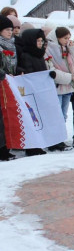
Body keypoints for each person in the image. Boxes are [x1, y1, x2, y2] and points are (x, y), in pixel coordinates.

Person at [45, 27, 74, 151]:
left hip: (67, 86)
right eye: (65, 38)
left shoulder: (66, 48)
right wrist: (69, 77)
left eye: (69, 38)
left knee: (63, 115)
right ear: (58, 38)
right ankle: (53, 141)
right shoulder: (49, 48)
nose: (67, 40)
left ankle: (60, 138)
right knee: (56, 115)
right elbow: (50, 69)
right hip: (58, 86)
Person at [18, 29, 49, 156]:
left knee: (39, 119)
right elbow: (29, 73)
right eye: (38, 40)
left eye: (42, 40)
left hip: (40, 91)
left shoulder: (39, 54)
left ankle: (38, 144)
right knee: (31, 120)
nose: (40, 43)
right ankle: (32, 147)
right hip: (31, 92)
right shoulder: (26, 55)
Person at [0, 16, 17, 161]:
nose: (10, 32)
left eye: (11, 30)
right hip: (2, 82)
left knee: (7, 117)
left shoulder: (11, 45)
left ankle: (6, 146)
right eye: (7, 30)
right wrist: (3, 73)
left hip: (7, 83)